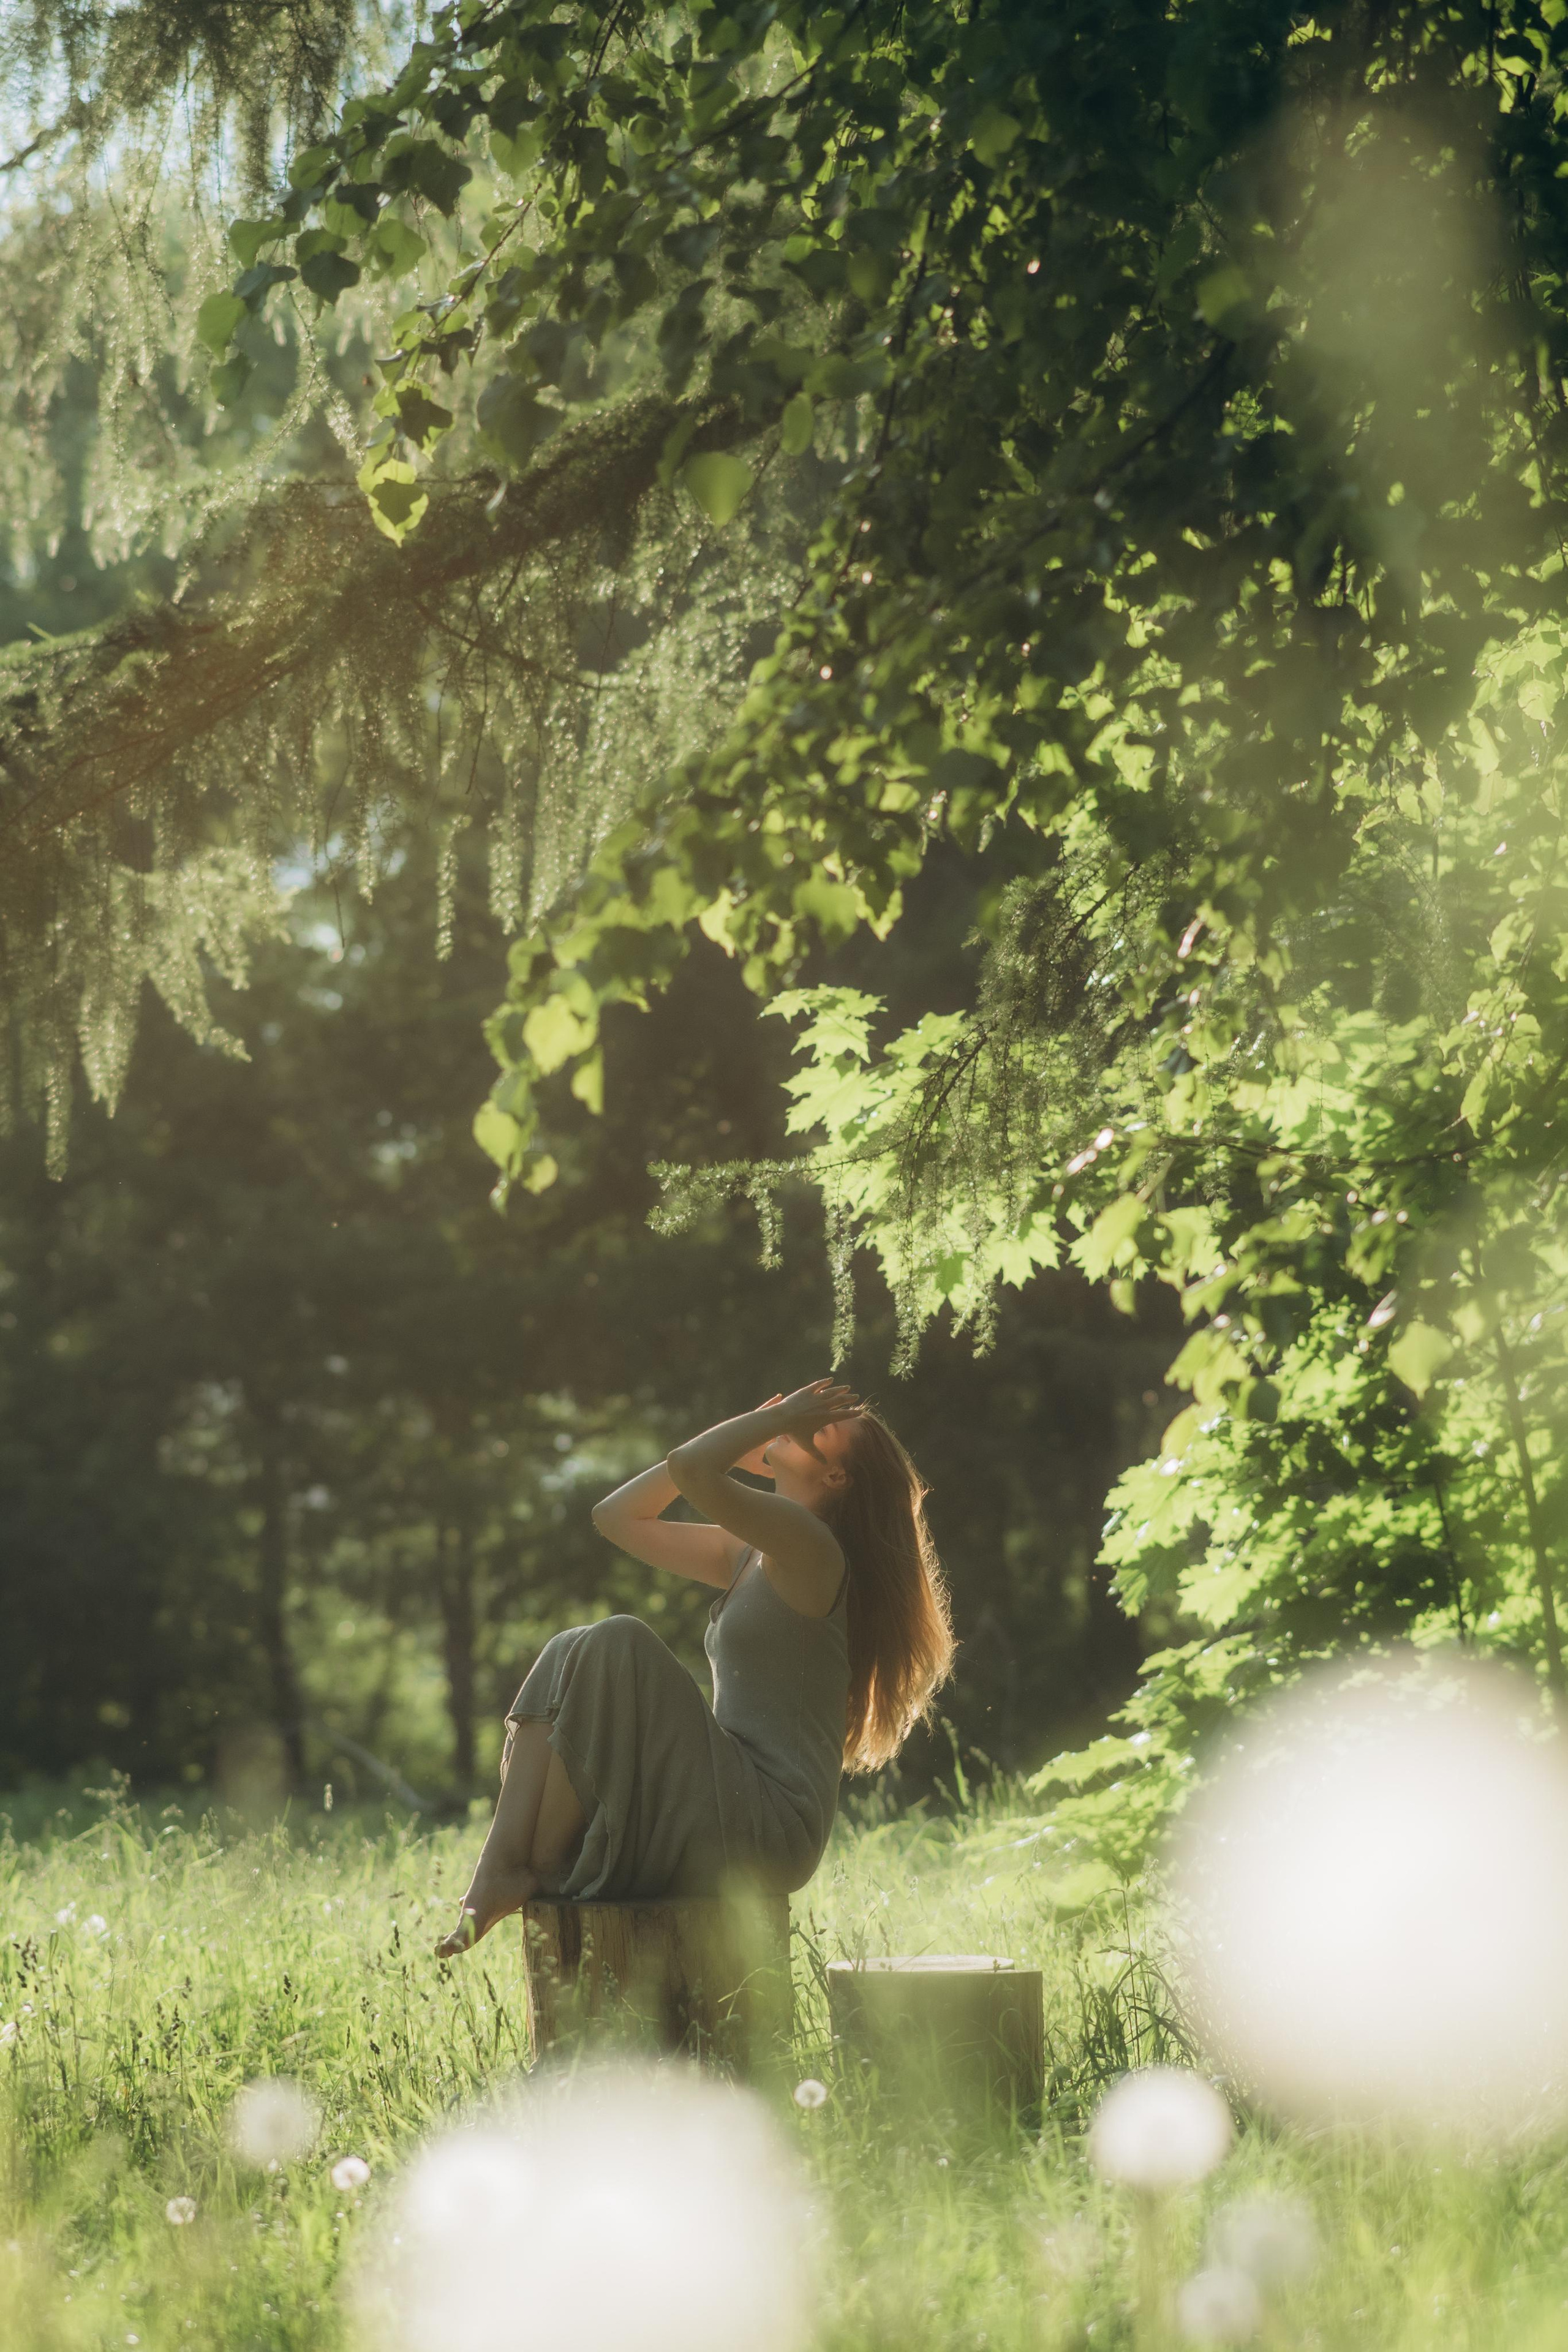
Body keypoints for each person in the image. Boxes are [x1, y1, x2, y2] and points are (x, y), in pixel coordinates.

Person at [435, 1377, 955, 1956]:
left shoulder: (815, 1548)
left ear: (836, 1477)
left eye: (821, 1422)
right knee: (570, 1646)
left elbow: (692, 1469)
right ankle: (505, 1867)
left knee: (619, 1642)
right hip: (728, 1788)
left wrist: (750, 1433)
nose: (800, 1415)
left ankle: (551, 1865)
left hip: (771, 1826)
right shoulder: (752, 1552)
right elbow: (616, 1518)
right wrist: (741, 1440)